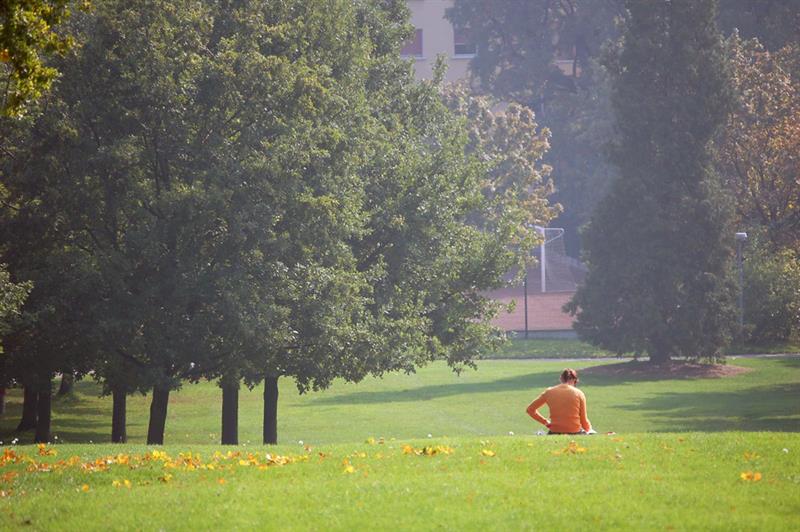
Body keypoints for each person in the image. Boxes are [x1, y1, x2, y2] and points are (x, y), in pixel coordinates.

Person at [526, 368, 592, 435]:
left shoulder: (549, 392)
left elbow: (530, 409)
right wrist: (589, 430)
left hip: (554, 431)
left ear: (561, 379)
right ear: (574, 380)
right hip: (574, 431)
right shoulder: (579, 393)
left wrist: (545, 422)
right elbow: (583, 420)